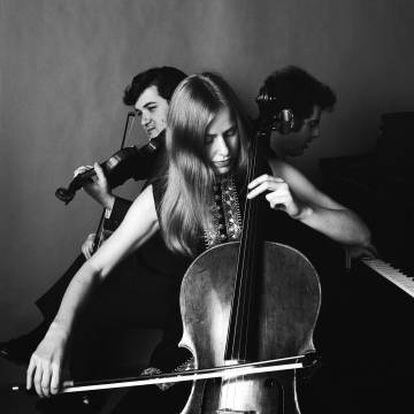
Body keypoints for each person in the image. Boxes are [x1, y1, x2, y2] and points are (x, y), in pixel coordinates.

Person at [25, 73, 371, 414]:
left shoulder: (266, 170)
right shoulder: (165, 194)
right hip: (193, 361)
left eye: (231, 133)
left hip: (276, 361)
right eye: (208, 139)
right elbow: (95, 268)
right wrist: (56, 332)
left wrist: (303, 210)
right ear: (187, 140)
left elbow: (360, 234)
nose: (224, 150)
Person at [0, 66, 187, 372]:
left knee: (95, 286)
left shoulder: (185, 157)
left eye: (152, 108)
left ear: (180, 102)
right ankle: (66, 370)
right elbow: (146, 222)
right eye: (139, 113)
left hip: (178, 285)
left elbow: (171, 228)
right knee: (95, 263)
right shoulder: (160, 153)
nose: (145, 122)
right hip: (157, 267)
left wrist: (109, 203)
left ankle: (52, 347)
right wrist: (107, 232)